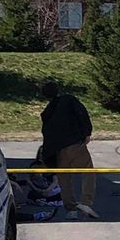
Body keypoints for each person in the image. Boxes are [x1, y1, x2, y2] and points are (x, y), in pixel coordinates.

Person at [39, 77, 98, 220]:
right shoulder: (69, 100)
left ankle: (70, 208)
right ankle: (86, 202)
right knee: (88, 172)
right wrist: (87, 132)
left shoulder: (47, 112)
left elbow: (46, 132)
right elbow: (82, 114)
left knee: (64, 179)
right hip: (74, 143)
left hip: (57, 149)